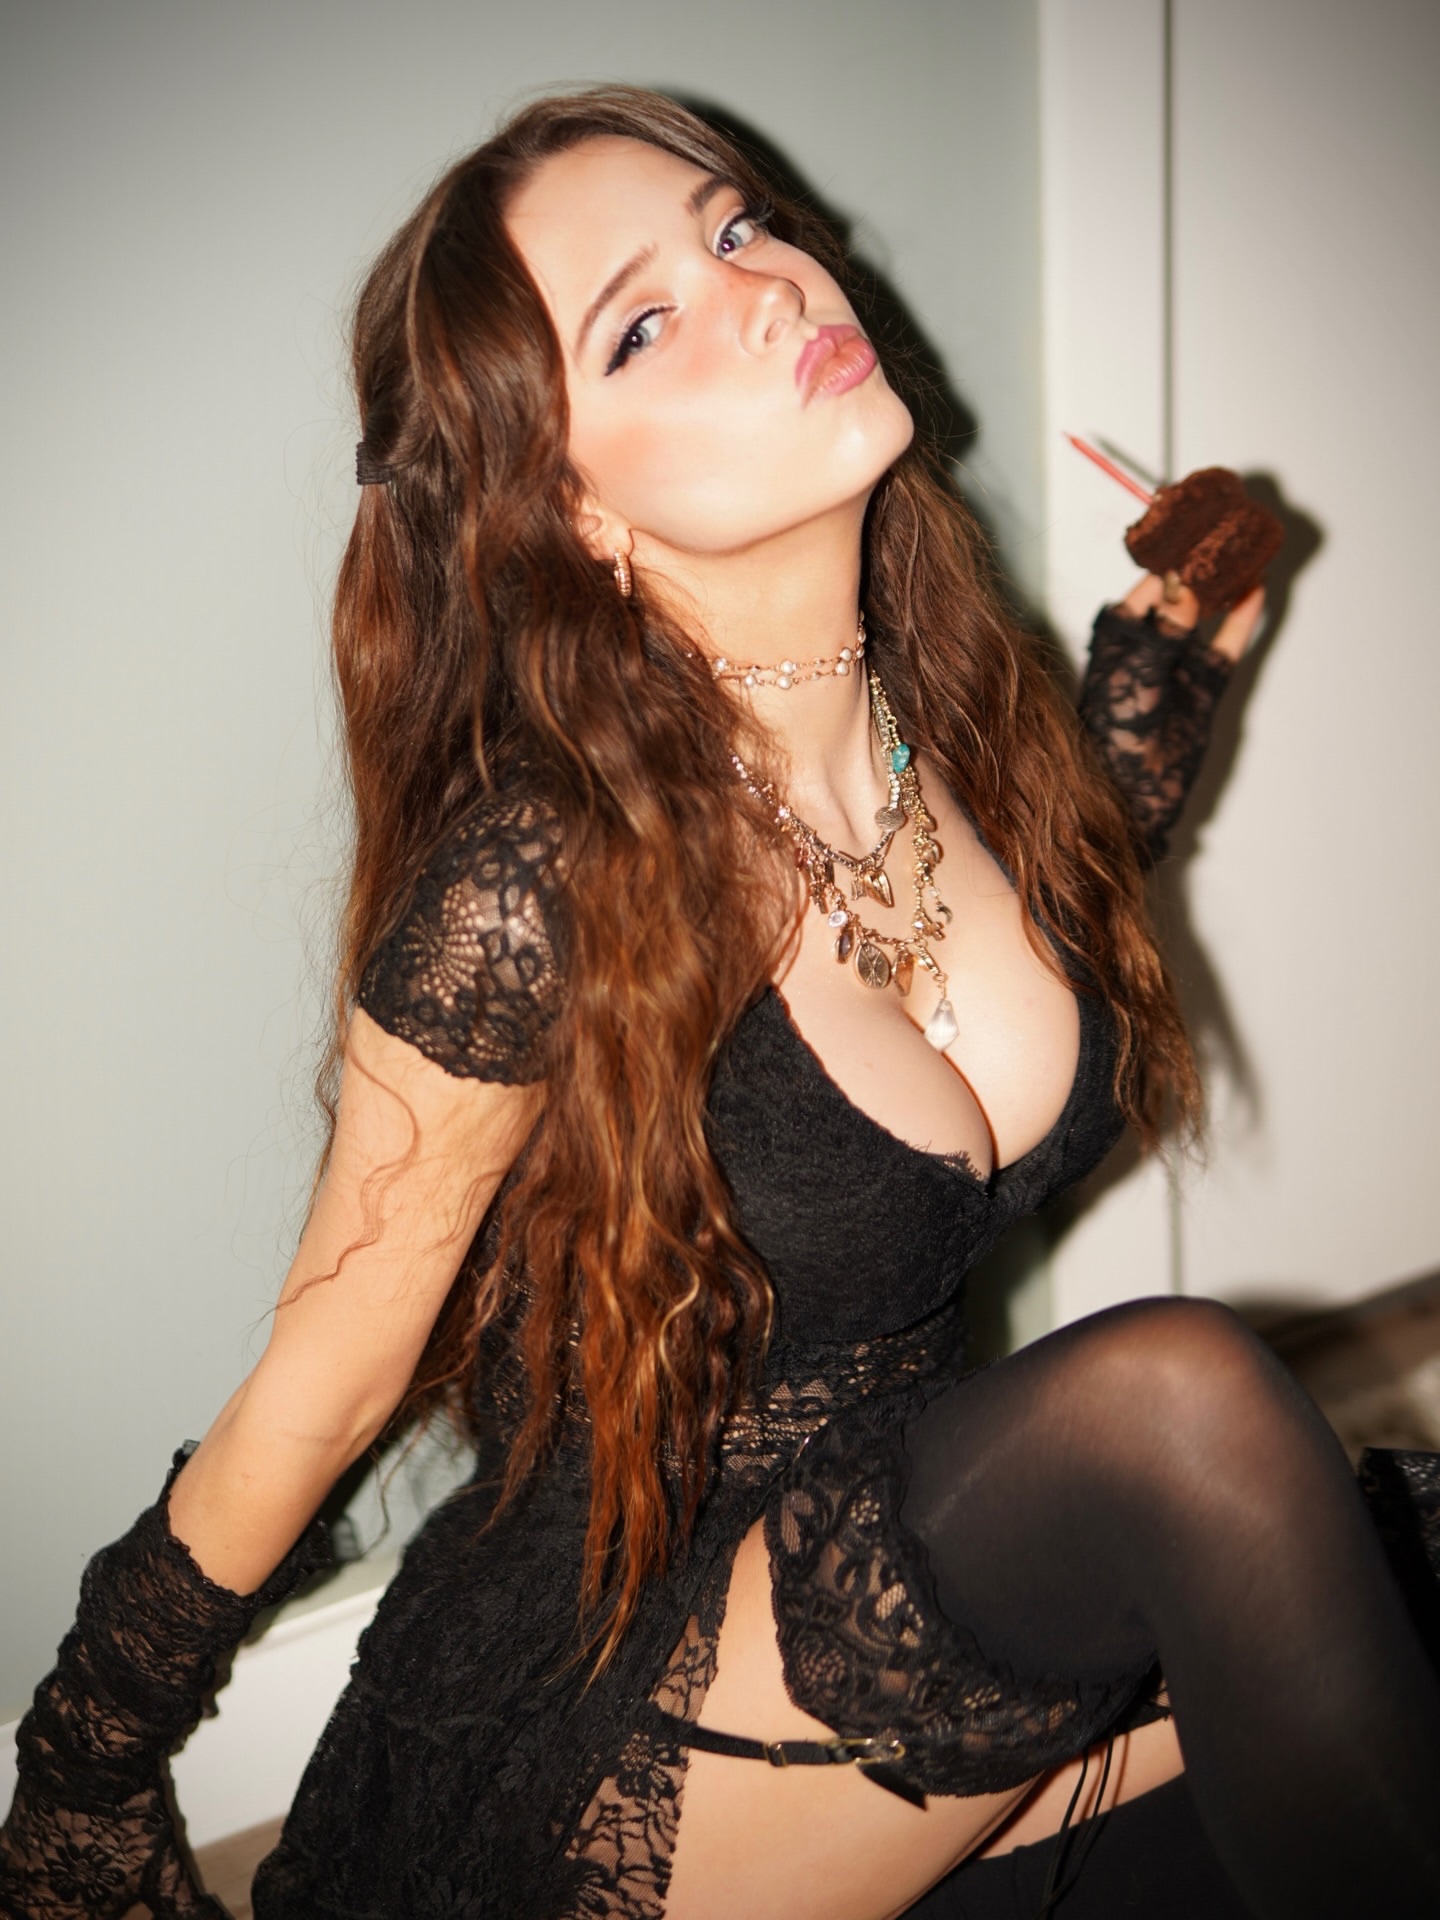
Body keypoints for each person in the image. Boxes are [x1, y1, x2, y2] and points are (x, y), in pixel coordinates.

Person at [3, 84, 1439, 1920]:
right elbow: (325, 1384)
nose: (764, 288)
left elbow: (1013, 932)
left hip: (908, 1549)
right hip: (617, 1674)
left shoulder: (948, 737)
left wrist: (1161, 677)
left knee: (1383, 1588)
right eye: (644, 324)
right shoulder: (536, 885)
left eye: (740, 225)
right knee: (1186, 1415)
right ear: (568, 509)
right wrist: (77, 1785)